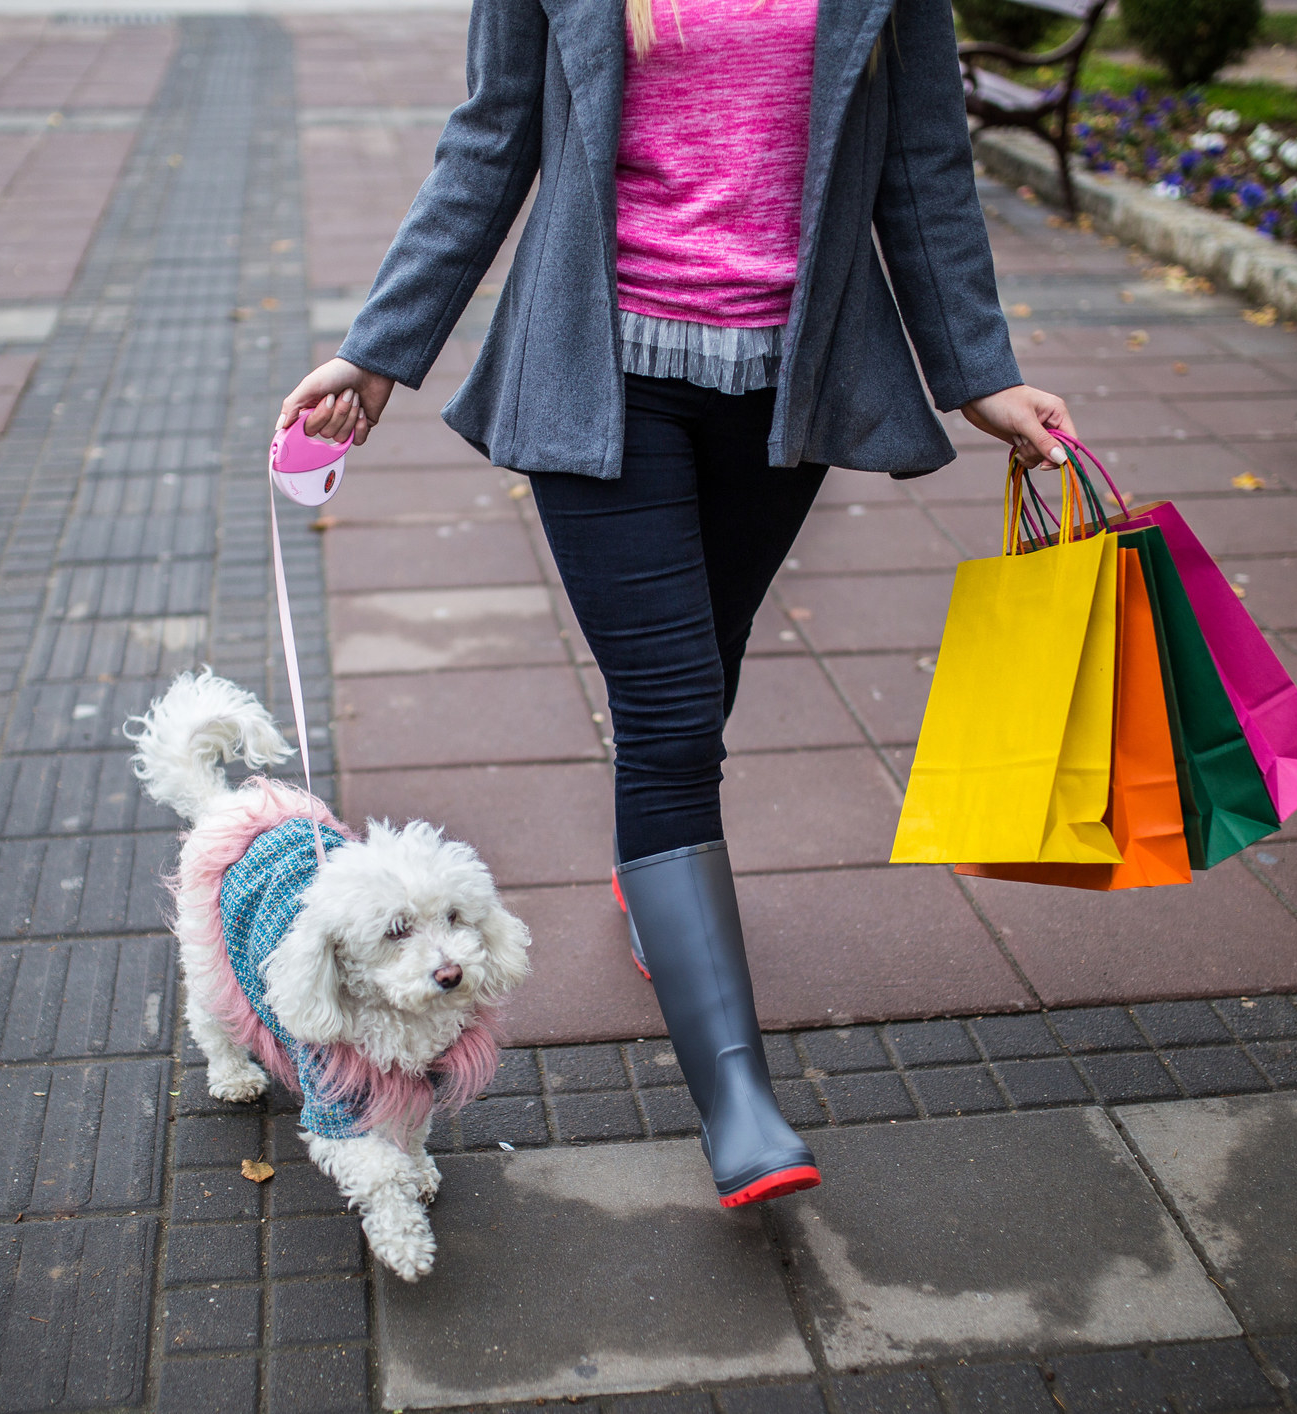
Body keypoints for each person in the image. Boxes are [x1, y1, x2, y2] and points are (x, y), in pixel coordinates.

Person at [278, 0, 1076, 1208]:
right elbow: (494, 137)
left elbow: (922, 163)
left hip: (785, 381)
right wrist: (380, 348)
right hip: (602, 375)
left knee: (704, 658)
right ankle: (736, 1096)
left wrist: (984, 375)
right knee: (670, 703)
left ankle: (648, 869)